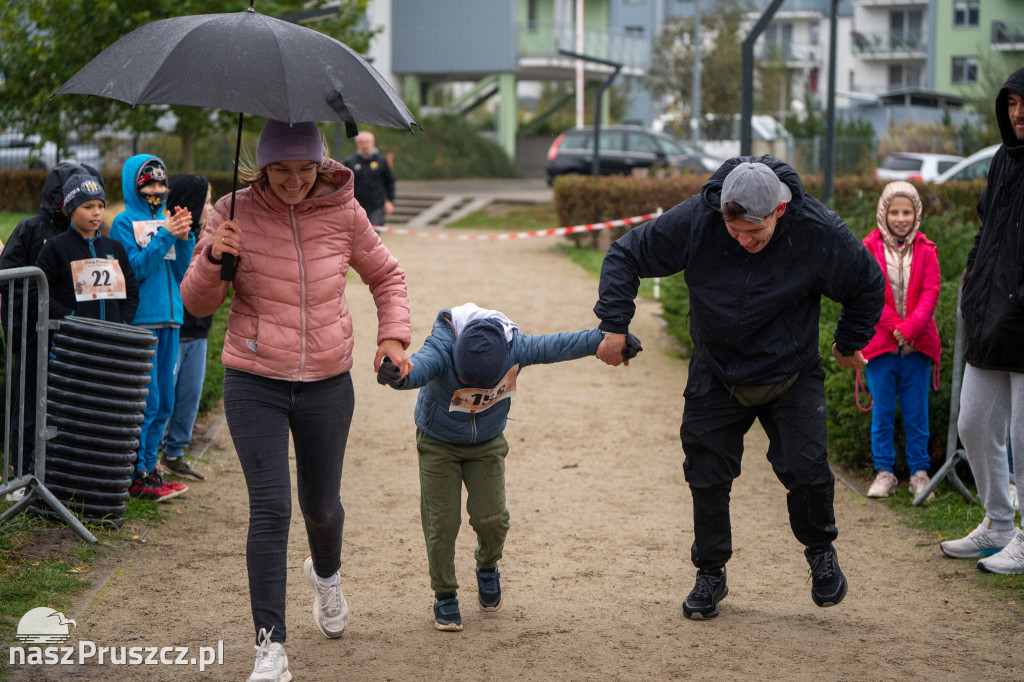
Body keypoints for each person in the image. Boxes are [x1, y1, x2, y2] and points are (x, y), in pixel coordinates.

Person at [593, 157, 885, 620]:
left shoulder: (816, 230)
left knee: (806, 470)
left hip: (790, 372)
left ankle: (819, 551)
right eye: (735, 232)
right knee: (706, 475)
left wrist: (849, 342)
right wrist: (614, 324)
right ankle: (711, 572)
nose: (745, 241)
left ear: (779, 211)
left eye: (756, 231)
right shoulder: (698, 219)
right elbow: (626, 254)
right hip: (717, 370)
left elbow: (868, 284)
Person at [179, 119, 412, 682]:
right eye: (280, 170)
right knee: (271, 510)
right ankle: (270, 646)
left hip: (328, 381)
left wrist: (393, 337)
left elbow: (387, 276)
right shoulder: (231, 212)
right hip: (254, 378)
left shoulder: (345, 212)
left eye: (304, 169)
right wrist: (214, 256)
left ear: (321, 165)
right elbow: (197, 304)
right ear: (261, 168)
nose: (293, 181)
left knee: (322, 507)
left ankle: (326, 576)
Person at [376, 302, 635, 632]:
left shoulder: (515, 346)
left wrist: (610, 340)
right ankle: (444, 594)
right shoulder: (443, 347)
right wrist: (397, 376)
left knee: (493, 519)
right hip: (439, 443)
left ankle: (487, 565)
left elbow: (562, 344)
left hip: (486, 444)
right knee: (442, 522)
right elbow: (417, 367)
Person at [940, 67, 1024, 574]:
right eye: (1011, 104)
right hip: (989, 320)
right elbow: (985, 228)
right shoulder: (1001, 161)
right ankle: (998, 525)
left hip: (1022, 322)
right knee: (972, 423)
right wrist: (972, 288)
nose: (1017, 114)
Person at [1, 161, 103, 489]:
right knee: (28, 406)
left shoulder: (91, 234)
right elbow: (8, 276)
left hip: (72, 337)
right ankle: (19, 473)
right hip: (31, 336)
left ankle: (58, 475)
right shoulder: (32, 229)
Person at [110, 154, 195, 502]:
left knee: (165, 400)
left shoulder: (166, 219)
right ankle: (135, 474)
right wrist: (165, 238)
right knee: (146, 401)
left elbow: (180, 273)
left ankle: (151, 467)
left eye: (162, 184)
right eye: (149, 184)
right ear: (135, 186)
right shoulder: (123, 222)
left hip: (172, 319)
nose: (157, 190)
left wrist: (184, 238)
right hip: (143, 321)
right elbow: (134, 272)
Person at [860, 182, 941, 500]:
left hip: (918, 347)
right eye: (894, 211)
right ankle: (884, 472)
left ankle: (919, 474)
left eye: (907, 211)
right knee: (881, 412)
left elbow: (931, 292)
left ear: (916, 213)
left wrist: (910, 329)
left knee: (916, 412)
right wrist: (898, 326)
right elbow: (868, 294)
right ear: (884, 213)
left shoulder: (927, 249)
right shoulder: (868, 247)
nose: (901, 217)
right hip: (880, 347)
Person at [159, 175, 214, 482]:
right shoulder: (167, 236)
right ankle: (149, 460)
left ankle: (175, 453)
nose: (209, 207)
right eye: (205, 201)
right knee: (164, 398)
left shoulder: (208, 236)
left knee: (189, 398)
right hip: (174, 332)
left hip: (200, 331)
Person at [35, 173, 139, 324]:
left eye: (101, 206)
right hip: (73, 341)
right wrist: (71, 318)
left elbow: (131, 293)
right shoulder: (55, 247)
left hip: (113, 340)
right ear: (71, 209)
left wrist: (121, 322)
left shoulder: (115, 248)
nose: (96, 212)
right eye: (88, 206)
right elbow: (38, 291)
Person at [342, 131, 395, 228]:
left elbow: (389, 182)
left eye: (367, 142)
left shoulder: (382, 160)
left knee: (374, 234)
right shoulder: (350, 161)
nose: (365, 145)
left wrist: (390, 200)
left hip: (376, 205)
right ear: (357, 144)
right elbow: (344, 183)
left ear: (373, 143)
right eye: (362, 142)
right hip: (356, 206)